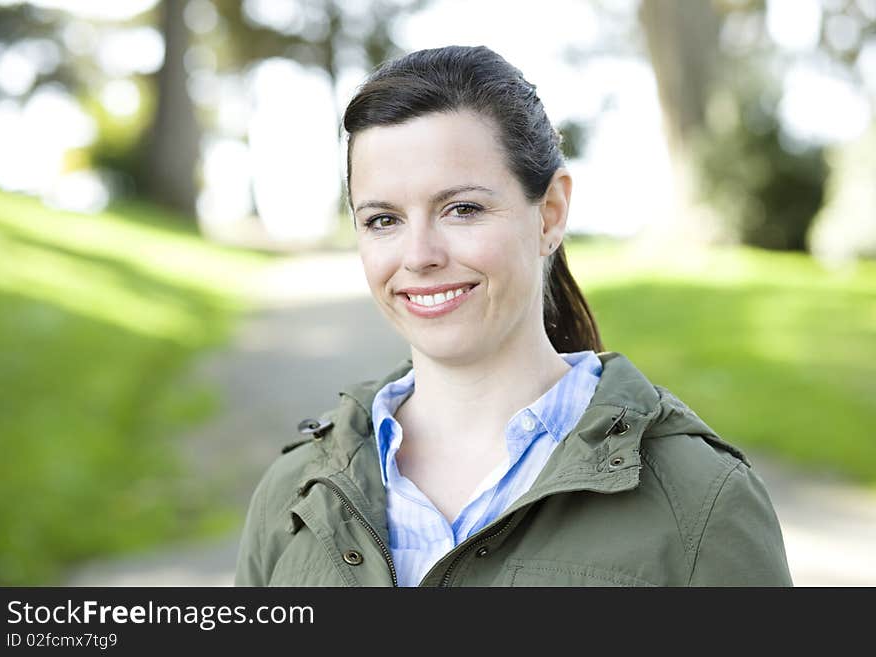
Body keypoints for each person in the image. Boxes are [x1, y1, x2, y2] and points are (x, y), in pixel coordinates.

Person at [235, 45, 792, 587]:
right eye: (383, 220)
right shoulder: (295, 494)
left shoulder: (701, 499)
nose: (419, 255)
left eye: (463, 209)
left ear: (549, 214)